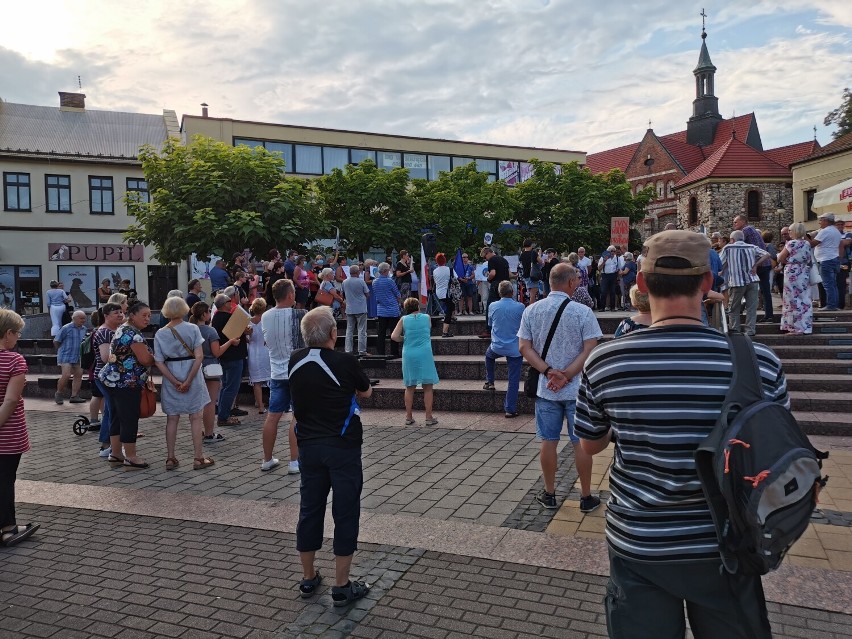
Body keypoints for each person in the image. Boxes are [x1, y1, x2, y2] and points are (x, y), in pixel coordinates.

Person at [575, 229, 784, 639]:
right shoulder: (760, 362)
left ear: (640, 282)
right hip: (726, 546)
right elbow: (773, 457)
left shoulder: (606, 362)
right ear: (708, 283)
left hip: (640, 543)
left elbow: (590, 443)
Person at [289, 306, 373, 606]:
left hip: (309, 447)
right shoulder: (344, 361)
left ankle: (309, 578)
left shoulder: (295, 359)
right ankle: (341, 585)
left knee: (310, 509)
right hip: (342, 446)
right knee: (346, 510)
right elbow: (365, 393)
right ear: (333, 334)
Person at [518, 263, 602, 512]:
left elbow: (524, 347)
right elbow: (590, 348)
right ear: (571, 283)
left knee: (548, 441)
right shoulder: (583, 312)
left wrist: (548, 372)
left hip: (546, 389)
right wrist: (567, 375)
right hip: (577, 390)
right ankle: (586, 497)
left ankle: (550, 494)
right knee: (581, 444)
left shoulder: (531, 310)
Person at [154, 297, 212, 471]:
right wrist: (187, 381)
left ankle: (170, 458)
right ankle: (198, 458)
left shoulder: (160, 333)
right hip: (192, 372)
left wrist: (175, 382)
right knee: (195, 417)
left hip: (170, 374)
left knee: (172, 418)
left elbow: (158, 361)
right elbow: (200, 356)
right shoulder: (193, 328)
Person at [98, 301, 154, 469]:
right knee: (128, 418)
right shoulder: (133, 334)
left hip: (112, 379)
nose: (147, 319)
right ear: (132, 315)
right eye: (144, 315)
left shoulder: (122, 328)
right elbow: (145, 359)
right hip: (126, 382)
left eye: (149, 316)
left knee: (115, 416)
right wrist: (157, 358)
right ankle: (131, 456)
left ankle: (115, 454)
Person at [0, 310, 40, 548]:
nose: (18, 337)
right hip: (7, 432)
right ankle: (7, 528)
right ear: (8, 333)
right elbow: (11, 400)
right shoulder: (14, 360)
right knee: (5, 479)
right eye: (18, 333)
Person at [260, 279, 307, 473]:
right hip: (297, 370)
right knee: (297, 416)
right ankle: (295, 461)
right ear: (290, 295)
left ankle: (267, 459)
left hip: (276, 372)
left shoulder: (265, 315)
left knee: (273, 416)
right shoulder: (300, 315)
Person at [189, 302, 237, 444]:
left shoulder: (191, 329)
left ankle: (198, 431)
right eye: (209, 311)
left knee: (198, 402)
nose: (210, 314)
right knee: (210, 402)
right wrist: (230, 342)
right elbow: (217, 352)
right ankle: (209, 434)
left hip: (194, 367)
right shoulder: (210, 331)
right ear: (204, 314)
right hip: (210, 367)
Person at [392, 298, 439, 426]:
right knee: (428, 387)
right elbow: (428, 328)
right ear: (418, 306)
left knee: (409, 387)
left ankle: (409, 417)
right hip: (425, 353)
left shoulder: (404, 319)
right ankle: (428, 417)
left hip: (409, 353)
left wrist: (404, 338)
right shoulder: (426, 317)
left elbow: (394, 336)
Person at [483, 281, 525, 417]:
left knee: (489, 356)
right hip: (515, 348)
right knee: (513, 380)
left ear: (499, 293)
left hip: (497, 346)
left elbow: (490, 324)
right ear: (512, 292)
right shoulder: (520, 307)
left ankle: (490, 381)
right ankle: (510, 409)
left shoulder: (493, 305)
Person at [721, 229, 771, 337]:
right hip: (752, 280)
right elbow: (767, 254)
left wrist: (722, 271)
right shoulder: (752, 247)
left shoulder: (728, 248)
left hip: (736, 282)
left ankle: (735, 330)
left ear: (732, 239)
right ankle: (750, 331)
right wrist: (756, 264)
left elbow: (721, 262)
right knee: (751, 308)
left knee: (734, 308)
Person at [211, 289, 250, 426]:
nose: (231, 302)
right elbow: (235, 336)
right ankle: (223, 416)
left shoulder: (216, 317)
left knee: (225, 386)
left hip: (225, 356)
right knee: (231, 387)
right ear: (224, 304)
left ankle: (222, 414)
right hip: (233, 356)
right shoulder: (227, 317)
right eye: (229, 301)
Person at [777, 222, 814, 335]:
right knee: (804, 299)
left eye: (790, 231)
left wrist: (787, 261)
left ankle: (794, 327)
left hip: (792, 272)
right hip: (803, 272)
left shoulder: (791, 243)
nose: (789, 232)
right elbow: (809, 260)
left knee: (791, 299)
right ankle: (805, 326)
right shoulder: (807, 244)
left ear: (794, 232)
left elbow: (780, 258)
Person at [809, 212, 843, 311]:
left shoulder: (825, 231)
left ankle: (831, 306)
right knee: (833, 284)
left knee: (828, 284)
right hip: (834, 259)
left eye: (821, 220)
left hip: (825, 260)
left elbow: (812, 244)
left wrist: (805, 237)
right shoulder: (836, 231)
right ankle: (834, 305)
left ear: (826, 221)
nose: (820, 222)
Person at [54, 310, 88, 404]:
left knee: (79, 375)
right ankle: (59, 393)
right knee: (66, 375)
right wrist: (60, 351)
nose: (83, 320)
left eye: (84, 318)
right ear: (74, 318)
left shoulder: (84, 329)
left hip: (78, 355)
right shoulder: (66, 328)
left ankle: (74, 396)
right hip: (66, 355)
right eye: (81, 318)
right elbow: (56, 341)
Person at [479, 246, 510, 338]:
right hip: (506, 284)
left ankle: (489, 330)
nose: (485, 259)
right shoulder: (504, 260)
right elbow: (509, 274)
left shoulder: (492, 260)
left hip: (496, 285)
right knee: (504, 307)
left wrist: (488, 279)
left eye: (484, 257)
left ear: (488, 253)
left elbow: (493, 273)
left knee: (490, 307)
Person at [247, 298, 272, 414]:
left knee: (256, 381)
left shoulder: (248, 321)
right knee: (270, 379)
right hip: (265, 350)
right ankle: (272, 404)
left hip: (252, 351)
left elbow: (247, 339)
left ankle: (260, 405)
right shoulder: (267, 320)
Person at [373, 263, 401, 358]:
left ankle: (381, 352)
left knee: (381, 333)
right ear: (385, 271)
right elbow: (398, 295)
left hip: (381, 310)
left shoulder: (374, 282)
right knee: (394, 332)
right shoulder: (390, 281)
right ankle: (394, 352)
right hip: (392, 310)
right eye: (388, 270)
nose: (389, 271)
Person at [341, 265, 370, 355]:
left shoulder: (344, 282)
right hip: (361, 308)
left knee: (349, 330)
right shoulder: (361, 281)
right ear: (357, 272)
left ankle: (348, 350)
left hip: (349, 309)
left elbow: (342, 294)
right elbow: (367, 294)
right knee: (361, 330)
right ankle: (361, 350)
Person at [431, 253, 454, 338]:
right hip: (447, 292)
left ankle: (452, 317)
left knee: (449, 307)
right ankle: (445, 331)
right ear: (445, 261)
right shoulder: (449, 269)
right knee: (449, 310)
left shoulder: (435, 271)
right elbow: (455, 278)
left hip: (439, 292)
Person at [597, 246, 622, 312]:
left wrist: (619, 278)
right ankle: (602, 307)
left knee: (613, 292)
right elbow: (599, 268)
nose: (613, 252)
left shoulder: (617, 258)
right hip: (605, 275)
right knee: (603, 292)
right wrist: (604, 261)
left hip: (613, 275)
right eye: (611, 251)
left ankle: (612, 307)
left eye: (614, 251)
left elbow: (619, 268)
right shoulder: (603, 258)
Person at [519, 240, 542, 304]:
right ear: (531, 245)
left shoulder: (522, 254)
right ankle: (531, 310)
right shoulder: (533, 253)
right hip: (533, 275)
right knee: (533, 294)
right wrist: (539, 254)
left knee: (530, 293)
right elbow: (541, 262)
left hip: (526, 275)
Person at [837, 218, 852, 309]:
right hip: (832, 262)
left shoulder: (847, 234)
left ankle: (841, 304)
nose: (839, 226)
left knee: (842, 283)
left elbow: (846, 242)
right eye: (837, 224)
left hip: (845, 262)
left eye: (841, 224)